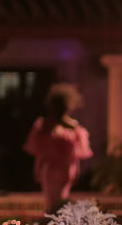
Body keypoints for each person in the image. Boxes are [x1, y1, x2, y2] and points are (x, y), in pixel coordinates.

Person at [24, 83, 93, 213]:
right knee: (53, 200)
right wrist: (38, 168)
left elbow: (74, 154)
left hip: (63, 169)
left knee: (59, 200)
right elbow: (41, 150)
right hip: (52, 168)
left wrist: (75, 171)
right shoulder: (46, 125)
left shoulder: (72, 127)